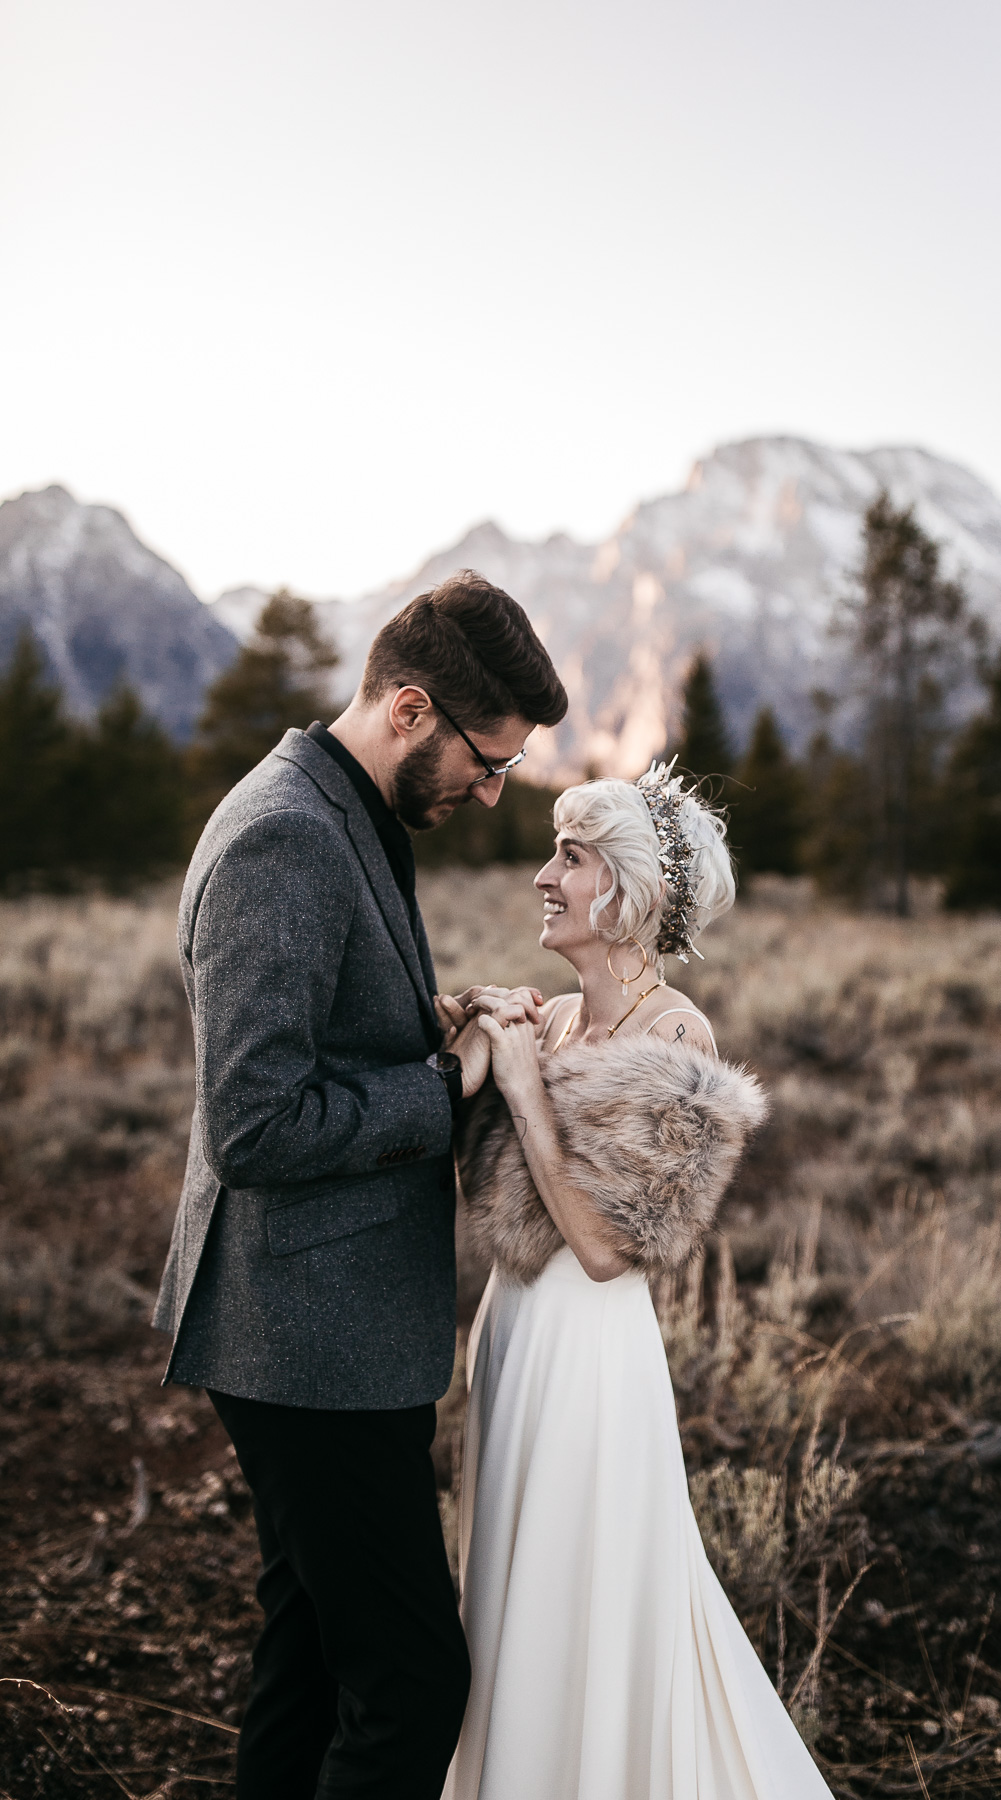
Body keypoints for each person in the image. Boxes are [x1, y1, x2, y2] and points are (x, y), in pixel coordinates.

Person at [151, 570, 568, 1800]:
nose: (492, 792)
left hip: (323, 1323)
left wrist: (429, 1023)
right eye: (484, 761)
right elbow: (257, 1122)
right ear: (409, 708)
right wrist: (446, 1086)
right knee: (412, 1682)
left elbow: (316, 1034)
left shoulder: (346, 810)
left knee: (315, 1654)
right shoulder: (286, 832)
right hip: (302, 1336)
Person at [441, 766, 833, 1800]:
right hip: (513, 1337)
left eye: (568, 858)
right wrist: (472, 1044)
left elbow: (609, 1251)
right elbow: (488, 1197)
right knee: (509, 1591)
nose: (543, 877)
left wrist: (526, 1094)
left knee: (583, 1588)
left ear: (622, 891)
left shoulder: (676, 1037)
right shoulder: (558, 1019)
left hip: (590, 1356)